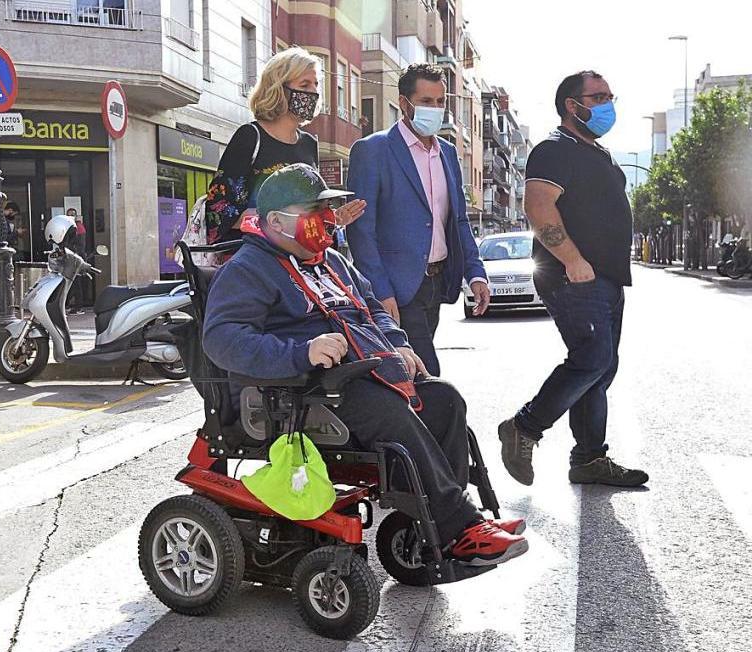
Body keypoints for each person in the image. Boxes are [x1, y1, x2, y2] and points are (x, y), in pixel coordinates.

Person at [203, 163, 528, 566]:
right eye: (313, 211)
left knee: (445, 400)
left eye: (326, 210)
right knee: (386, 410)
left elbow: (372, 309)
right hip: (302, 391)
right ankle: (459, 525)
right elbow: (221, 340)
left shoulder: (332, 262)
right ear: (275, 221)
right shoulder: (249, 268)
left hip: (364, 374)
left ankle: (441, 528)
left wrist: (399, 345)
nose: (326, 220)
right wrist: (301, 351)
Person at [498, 71, 648, 488]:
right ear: (571, 104)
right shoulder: (553, 149)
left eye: (609, 96)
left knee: (601, 368)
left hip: (607, 278)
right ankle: (524, 427)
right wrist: (573, 259)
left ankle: (588, 459)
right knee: (593, 358)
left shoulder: (598, 153)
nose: (606, 104)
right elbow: (539, 207)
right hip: (574, 275)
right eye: (597, 96)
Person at [344, 63, 489, 377]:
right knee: (425, 372)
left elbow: (459, 221)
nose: (435, 109)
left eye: (440, 102)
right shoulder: (373, 150)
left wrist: (475, 273)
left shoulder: (448, 153)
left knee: (409, 374)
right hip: (397, 288)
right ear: (405, 103)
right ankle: (438, 425)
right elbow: (361, 230)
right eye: (426, 102)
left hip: (436, 282)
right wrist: (380, 291)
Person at [204, 47, 365, 246]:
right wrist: (282, 218)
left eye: (315, 85)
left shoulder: (308, 144)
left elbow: (308, 214)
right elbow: (219, 214)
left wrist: (331, 218)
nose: (313, 92)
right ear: (278, 88)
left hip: (300, 262)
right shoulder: (250, 137)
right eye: (304, 85)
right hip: (253, 261)